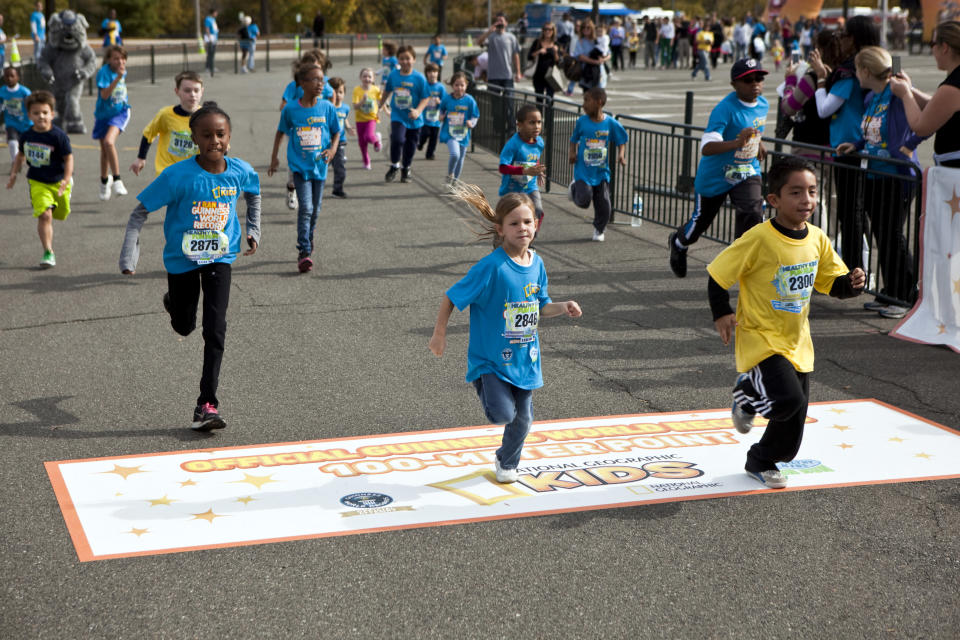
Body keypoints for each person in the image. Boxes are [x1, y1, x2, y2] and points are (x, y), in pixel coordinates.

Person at [709, 157, 865, 488]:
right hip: (760, 338)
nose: (806, 199)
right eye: (795, 192)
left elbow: (831, 283)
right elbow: (718, 274)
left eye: (811, 191)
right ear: (774, 200)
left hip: (797, 343)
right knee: (787, 400)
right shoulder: (760, 238)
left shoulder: (817, 239)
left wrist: (851, 285)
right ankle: (748, 392)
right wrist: (722, 311)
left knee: (792, 430)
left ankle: (761, 459)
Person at [119, 101, 261, 432]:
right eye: (207, 135)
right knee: (185, 326)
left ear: (229, 136)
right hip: (182, 260)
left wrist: (253, 229)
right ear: (194, 138)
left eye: (221, 134)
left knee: (215, 328)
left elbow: (253, 193)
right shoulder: (177, 176)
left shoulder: (240, 170)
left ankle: (206, 405)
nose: (215, 141)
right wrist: (129, 255)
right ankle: (174, 304)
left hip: (219, 259)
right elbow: (139, 213)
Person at [428, 184, 583, 484]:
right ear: (500, 229)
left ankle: (506, 460)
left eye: (527, 222)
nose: (522, 228)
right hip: (492, 360)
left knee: (523, 419)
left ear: (536, 225)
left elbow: (541, 306)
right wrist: (439, 333)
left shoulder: (537, 264)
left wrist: (563, 307)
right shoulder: (491, 267)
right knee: (502, 414)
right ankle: (482, 382)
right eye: (514, 223)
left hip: (525, 358)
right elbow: (451, 296)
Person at [836, 47, 926, 318]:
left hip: (898, 176)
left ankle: (905, 295)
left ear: (865, 70)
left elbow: (921, 122)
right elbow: (871, 132)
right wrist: (856, 145)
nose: (855, 74)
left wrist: (908, 147)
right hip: (876, 174)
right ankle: (890, 291)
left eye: (856, 69)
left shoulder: (896, 94)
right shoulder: (871, 99)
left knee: (892, 235)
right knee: (882, 236)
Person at [669, 58, 768, 277]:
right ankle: (678, 242)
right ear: (734, 84)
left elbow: (753, 127)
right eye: (748, 80)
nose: (755, 84)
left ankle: (744, 262)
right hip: (716, 177)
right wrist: (737, 143)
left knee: (753, 211)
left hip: (746, 171)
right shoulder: (724, 109)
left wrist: (758, 142)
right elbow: (706, 147)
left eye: (759, 78)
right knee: (698, 227)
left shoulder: (763, 104)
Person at [810, 14, 879, 272]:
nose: (841, 40)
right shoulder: (882, 63)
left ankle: (856, 272)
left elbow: (825, 110)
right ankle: (863, 273)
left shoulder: (849, 71)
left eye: (844, 35)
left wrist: (819, 79)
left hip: (851, 146)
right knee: (865, 216)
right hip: (870, 145)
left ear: (855, 38)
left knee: (853, 214)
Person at [269, 62, 340, 273]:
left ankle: (308, 237)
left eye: (323, 80)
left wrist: (333, 150)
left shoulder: (327, 107)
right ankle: (304, 251)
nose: (321, 84)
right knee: (306, 208)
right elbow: (280, 132)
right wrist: (274, 158)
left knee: (315, 210)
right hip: (300, 167)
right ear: (302, 83)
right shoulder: (291, 108)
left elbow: (336, 131)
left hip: (320, 166)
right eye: (316, 79)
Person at [6, 91, 72, 269]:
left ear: (52, 113)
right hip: (37, 182)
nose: (41, 116)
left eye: (44, 112)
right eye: (36, 113)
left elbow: (68, 158)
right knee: (45, 215)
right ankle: (48, 252)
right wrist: (14, 173)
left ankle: (65, 192)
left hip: (58, 181)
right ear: (29, 115)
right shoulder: (27, 136)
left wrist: (67, 178)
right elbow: (20, 155)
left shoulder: (58, 136)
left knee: (61, 213)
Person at [890, 20, 960, 169]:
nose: (932, 50)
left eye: (932, 44)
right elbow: (938, 108)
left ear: (945, 47)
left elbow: (920, 126)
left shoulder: (953, 86)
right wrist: (910, 89)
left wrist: (905, 94)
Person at [568, 87, 628, 242]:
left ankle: (599, 229)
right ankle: (574, 189)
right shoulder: (582, 121)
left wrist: (621, 155)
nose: (584, 104)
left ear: (599, 102)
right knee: (584, 200)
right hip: (583, 171)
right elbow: (573, 139)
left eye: (587, 100)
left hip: (601, 172)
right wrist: (572, 153)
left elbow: (622, 140)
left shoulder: (610, 123)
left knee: (605, 205)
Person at [279, 50, 334, 209]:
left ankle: (310, 189)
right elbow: (283, 104)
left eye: (317, 68)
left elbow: (332, 99)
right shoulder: (295, 85)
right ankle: (292, 188)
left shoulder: (325, 84)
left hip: (319, 133)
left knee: (318, 160)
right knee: (294, 165)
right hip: (299, 132)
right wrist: (291, 111)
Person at [130, 70, 203, 178]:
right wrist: (141, 158)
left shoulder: (207, 118)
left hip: (194, 175)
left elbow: (220, 146)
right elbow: (148, 134)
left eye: (196, 90)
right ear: (177, 91)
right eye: (187, 90)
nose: (192, 94)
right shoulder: (166, 115)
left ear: (202, 91)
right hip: (167, 173)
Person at [380, 45, 429, 184]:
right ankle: (394, 164)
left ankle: (406, 168)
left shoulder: (419, 78)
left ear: (413, 59)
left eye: (408, 58)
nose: (405, 61)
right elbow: (387, 90)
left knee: (411, 145)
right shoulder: (393, 75)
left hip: (414, 118)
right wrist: (380, 104)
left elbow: (425, 97)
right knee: (397, 139)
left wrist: (418, 111)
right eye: (402, 58)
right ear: (398, 60)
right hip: (398, 115)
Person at [93, 45, 130, 201]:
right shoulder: (104, 73)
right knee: (104, 151)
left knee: (109, 142)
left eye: (122, 59)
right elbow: (105, 95)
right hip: (103, 115)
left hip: (120, 113)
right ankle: (104, 180)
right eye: (116, 58)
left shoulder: (122, 71)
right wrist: (117, 78)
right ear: (108, 59)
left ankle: (117, 180)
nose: (120, 61)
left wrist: (119, 77)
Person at [499, 104, 546, 225]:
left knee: (538, 211)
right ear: (519, 125)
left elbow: (534, 159)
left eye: (539, 122)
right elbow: (502, 167)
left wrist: (538, 171)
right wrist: (525, 171)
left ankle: (529, 239)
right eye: (532, 123)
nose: (537, 126)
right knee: (509, 218)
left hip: (530, 186)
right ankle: (500, 239)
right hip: (511, 189)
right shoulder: (513, 145)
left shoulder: (539, 142)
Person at [478, 13, 522, 134]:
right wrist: (489, 30)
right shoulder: (491, 37)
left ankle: (512, 128)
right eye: (497, 21)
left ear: (506, 23)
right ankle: (498, 129)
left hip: (507, 76)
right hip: (493, 76)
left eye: (502, 21)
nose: (500, 23)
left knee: (509, 103)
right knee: (495, 105)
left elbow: (516, 55)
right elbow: (479, 42)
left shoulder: (511, 37)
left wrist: (518, 72)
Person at [439, 71, 478, 183]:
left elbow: (475, 115)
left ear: (466, 86)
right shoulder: (447, 98)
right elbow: (441, 109)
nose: (459, 88)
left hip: (464, 133)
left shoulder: (469, 100)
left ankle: (455, 182)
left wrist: (472, 123)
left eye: (462, 85)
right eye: (456, 85)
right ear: (452, 85)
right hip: (450, 132)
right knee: (455, 154)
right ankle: (450, 174)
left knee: (461, 158)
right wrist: (441, 115)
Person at [352, 67, 383, 171]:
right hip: (360, 119)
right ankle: (366, 161)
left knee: (368, 136)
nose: (367, 78)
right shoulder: (357, 90)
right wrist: (362, 101)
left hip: (371, 118)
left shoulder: (375, 89)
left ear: (373, 79)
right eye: (364, 76)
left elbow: (382, 101)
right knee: (362, 143)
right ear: (360, 78)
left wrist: (384, 110)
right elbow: (355, 106)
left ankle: (376, 140)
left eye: (369, 76)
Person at [1, 66, 32, 165]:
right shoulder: (2, 91)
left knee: (27, 145)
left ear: (17, 77)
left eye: (12, 76)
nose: (9, 78)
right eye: (7, 76)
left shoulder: (25, 92)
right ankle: (15, 162)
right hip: (11, 122)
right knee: (12, 142)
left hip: (26, 123)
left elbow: (32, 107)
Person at [327, 76, 351, 198]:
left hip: (340, 143)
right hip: (325, 143)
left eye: (340, 92)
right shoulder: (326, 107)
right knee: (320, 168)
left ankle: (337, 189)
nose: (337, 95)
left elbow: (344, 119)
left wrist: (349, 127)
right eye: (334, 92)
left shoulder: (346, 108)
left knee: (340, 170)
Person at [417, 63, 445, 161]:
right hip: (424, 117)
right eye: (430, 72)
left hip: (436, 118)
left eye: (435, 72)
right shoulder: (424, 85)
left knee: (433, 138)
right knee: (425, 133)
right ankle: (420, 143)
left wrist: (439, 102)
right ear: (426, 73)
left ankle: (430, 154)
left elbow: (445, 102)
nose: (432, 74)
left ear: (438, 73)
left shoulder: (440, 87)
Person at [573, 20, 607, 92]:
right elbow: (580, 56)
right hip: (587, 73)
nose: (585, 29)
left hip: (599, 72)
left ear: (592, 29)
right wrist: (595, 62)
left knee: (599, 97)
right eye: (583, 27)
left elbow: (608, 53)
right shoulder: (580, 41)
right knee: (588, 97)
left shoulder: (598, 39)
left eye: (588, 27)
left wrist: (603, 59)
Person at [528, 23, 560, 101]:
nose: (547, 31)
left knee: (549, 100)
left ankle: (548, 114)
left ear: (553, 31)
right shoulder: (537, 42)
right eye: (545, 29)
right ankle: (539, 113)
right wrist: (539, 51)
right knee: (539, 100)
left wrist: (555, 52)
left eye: (550, 29)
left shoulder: (556, 44)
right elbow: (529, 56)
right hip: (538, 75)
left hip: (551, 76)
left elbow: (558, 61)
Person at [203, 8, 219, 76]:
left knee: (212, 54)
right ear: (212, 13)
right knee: (210, 53)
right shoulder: (208, 19)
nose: (216, 14)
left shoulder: (213, 19)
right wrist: (209, 38)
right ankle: (208, 67)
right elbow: (207, 28)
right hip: (210, 38)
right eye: (215, 12)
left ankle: (211, 66)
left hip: (214, 38)